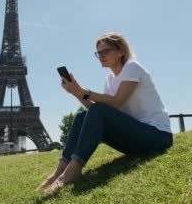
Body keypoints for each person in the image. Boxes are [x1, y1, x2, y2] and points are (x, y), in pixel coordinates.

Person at [38, 32, 173, 193]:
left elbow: (116, 102)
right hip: (135, 139)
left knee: (98, 109)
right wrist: (76, 92)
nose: (101, 56)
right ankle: (60, 170)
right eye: (98, 53)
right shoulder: (109, 80)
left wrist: (83, 91)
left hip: (157, 136)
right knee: (82, 116)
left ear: (121, 51)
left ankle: (74, 169)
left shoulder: (132, 67)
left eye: (106, 51)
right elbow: (95, 113)